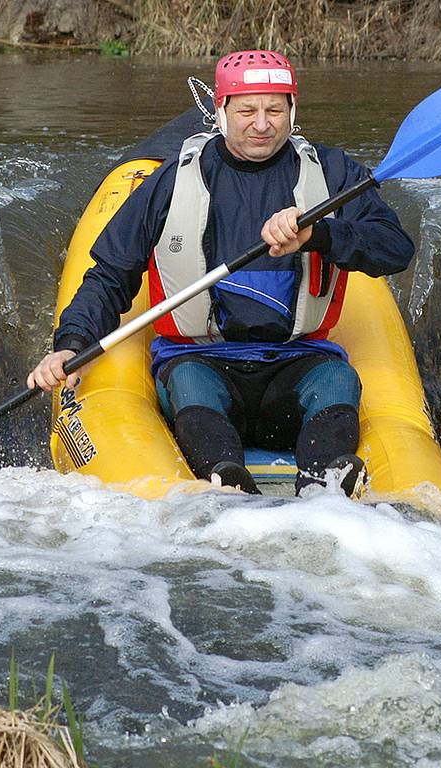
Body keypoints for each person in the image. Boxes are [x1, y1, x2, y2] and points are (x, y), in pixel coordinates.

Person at [28, 50, 414, 497]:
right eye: (247, 110)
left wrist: (320, 235)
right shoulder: (173, 181)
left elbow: (394, 249)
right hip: (202, 362)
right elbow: (110, 275)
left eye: (275, 109)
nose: (262, 124)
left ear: (293, 110)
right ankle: (225, 485)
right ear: (221, 111)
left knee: (337, 379)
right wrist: (71, 345)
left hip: (296, 361)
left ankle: (326, 486)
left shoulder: (333, 173)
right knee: (192, 383)